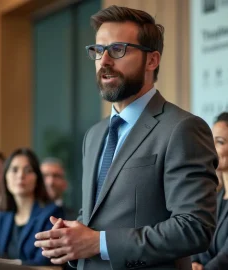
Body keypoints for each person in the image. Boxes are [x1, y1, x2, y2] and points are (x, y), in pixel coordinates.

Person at [35, 5, 218, 270]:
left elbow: (194, 227)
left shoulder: (183, 128)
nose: (105, 61)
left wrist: (99, 243)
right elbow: (94, 219)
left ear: (152, 60)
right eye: (98, 51)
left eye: (118, 50)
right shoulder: (94, 135)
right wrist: (69, 240)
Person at [0, 148, 64, 266]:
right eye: (14, 170)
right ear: (5, 177)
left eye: (28, 170)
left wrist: (1, 263)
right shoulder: (4, 215)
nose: (21, 175)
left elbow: (47, 265)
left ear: (37, 178)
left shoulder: (52, 214)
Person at [192, 112, 228, 270]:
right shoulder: (216, 197)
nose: (211, 148)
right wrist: (193, 263)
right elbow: (198, 239)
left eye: (219, 142)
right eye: (210, 141)